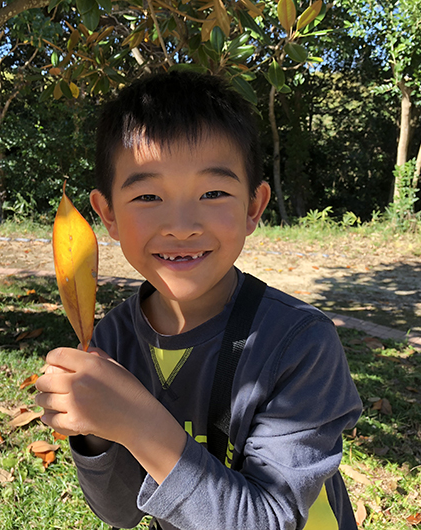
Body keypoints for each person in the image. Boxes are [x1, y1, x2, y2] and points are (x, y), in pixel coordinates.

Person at [35, 71, 362, 530]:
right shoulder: (111, 341)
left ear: (253, 207)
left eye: (213, 193)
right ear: (107, 213)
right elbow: (123, 512)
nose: (182, 225)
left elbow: (268, 519)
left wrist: (137, 422)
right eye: (148, 195)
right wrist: (94, 435)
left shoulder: (299, 344)